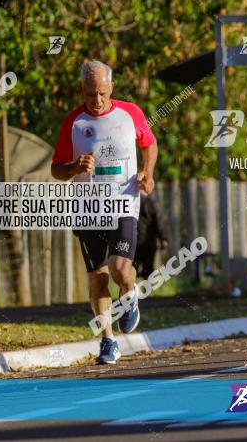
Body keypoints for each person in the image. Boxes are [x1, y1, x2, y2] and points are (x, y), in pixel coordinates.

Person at [51, 60, 157, 365]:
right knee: (97, 276)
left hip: (125, 202)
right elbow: (56, 169)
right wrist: (74, 167)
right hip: (88, 208)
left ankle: (130, 291)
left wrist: (147, 173)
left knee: (120, 269)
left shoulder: (131, 114)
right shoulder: (72, 123)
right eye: (89, 95)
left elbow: (149, 144)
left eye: (101, 93)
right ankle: (108, 341)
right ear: (81, 92)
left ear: (111, 87)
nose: (96, 101)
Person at [135, 189, 170, 280]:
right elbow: (159, 221)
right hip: (148, 241)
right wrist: (163, 239)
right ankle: (147, 292)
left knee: (132, 268)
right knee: (148, 269)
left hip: (132, 241)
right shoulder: (152, 202)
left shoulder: (131, 201)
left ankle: (131, 291)